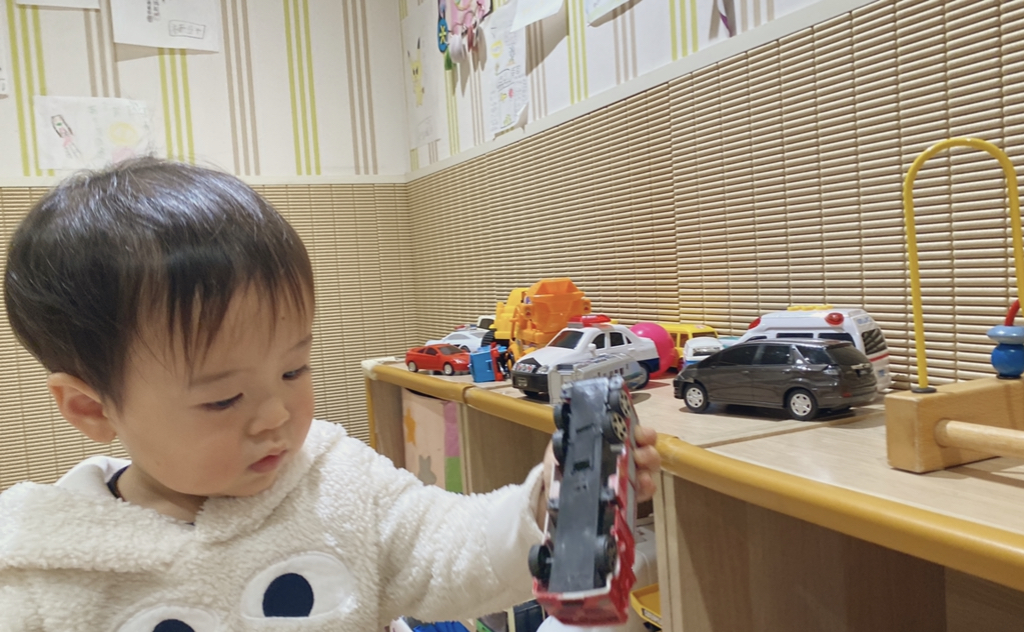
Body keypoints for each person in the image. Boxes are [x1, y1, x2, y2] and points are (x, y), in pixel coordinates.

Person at [0, 158, 661, 631]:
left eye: (294, 371)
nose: (276, 416)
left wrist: (550, 503)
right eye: (224, 399)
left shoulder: (332, 479)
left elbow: (448, 547)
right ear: (91, 408)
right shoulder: (42, 570)